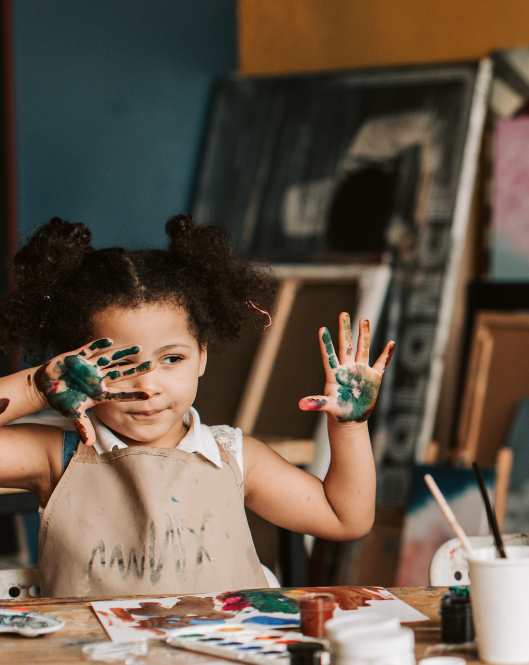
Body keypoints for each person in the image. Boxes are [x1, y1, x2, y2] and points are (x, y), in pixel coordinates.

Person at [0, 215, 394, 597]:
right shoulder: (58, 457)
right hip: (97, 663)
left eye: (172, 359)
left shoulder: (233, 458)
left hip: (230, 657)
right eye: (119, 366)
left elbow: (347, 518)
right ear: (74, 365)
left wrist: (350, 427)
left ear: (202, 355)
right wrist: (36, 388)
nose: (148, 386)